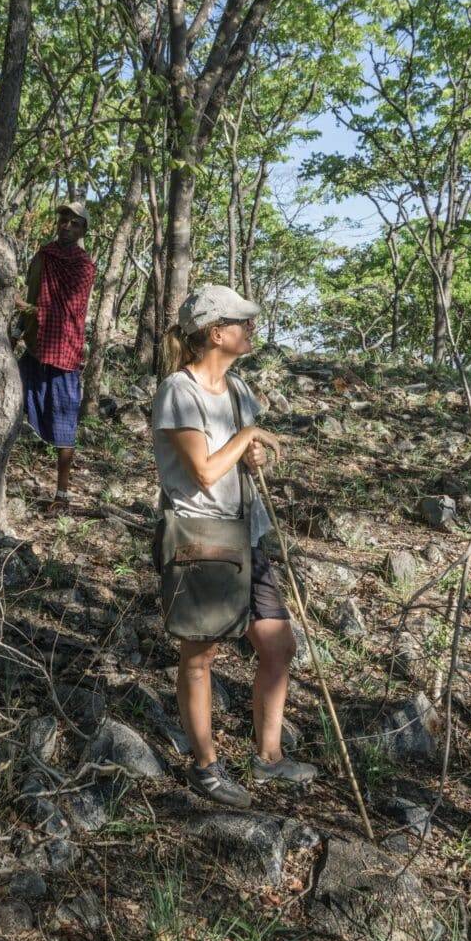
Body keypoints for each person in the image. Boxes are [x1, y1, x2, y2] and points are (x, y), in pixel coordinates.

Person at [152, 284, 317, 808]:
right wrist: (248, 439)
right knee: (199, 655)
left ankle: (267, 759)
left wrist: (252, 453)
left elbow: (236, 459)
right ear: (215, 333)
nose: (251, 330)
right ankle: (205, 767)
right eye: (241, 323)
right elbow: (202, 472)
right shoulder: (180, 391)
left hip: (248, 532)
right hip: (201, 536)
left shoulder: (239, 390)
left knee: (278, 645)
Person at [16, 202, 95, 510]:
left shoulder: (83, 267)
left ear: (82, 231)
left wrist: (27, 308)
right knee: (11, 403)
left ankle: (61, 495)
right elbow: (33, 292)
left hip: (64, 352)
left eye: (74, 223)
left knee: (65, 425)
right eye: (63, 220)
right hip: (35, 346)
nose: (66, 226)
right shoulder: (43, 256)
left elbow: (71, 312)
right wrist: (18, 329)